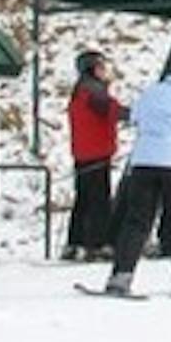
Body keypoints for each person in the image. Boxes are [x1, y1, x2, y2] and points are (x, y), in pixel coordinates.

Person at [101, 49, 171, 297]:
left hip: (143, 163)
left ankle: (121, 276)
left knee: (137, 220)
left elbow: (136, 119)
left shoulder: (151, 93)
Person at [64, 50, 127, 261]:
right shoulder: (94, 91)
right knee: (99, 201)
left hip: (82, 152)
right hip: (96, 153)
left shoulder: (80, 90)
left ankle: (75, 242)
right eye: (101, 67)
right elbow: (113, 111)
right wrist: (135, 113)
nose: (104, 71)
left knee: (82, 199)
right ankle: (97, 244)